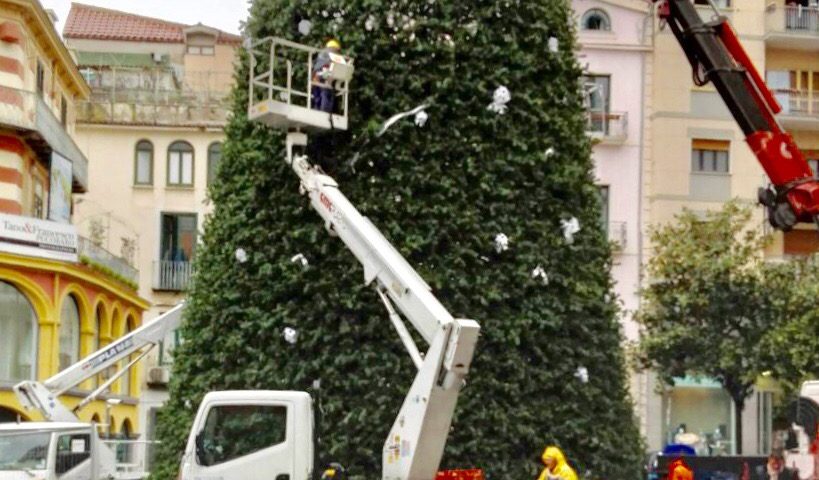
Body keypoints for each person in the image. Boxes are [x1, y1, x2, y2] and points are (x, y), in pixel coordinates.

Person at [311, 39, 341, 113]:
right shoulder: (333, 54)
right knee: (326, 91)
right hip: (325, 73)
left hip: (318, 74)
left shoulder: (322, 54)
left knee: (318, 94)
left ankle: (317, 110)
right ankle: (324, 111)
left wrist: (314, 77)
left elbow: (316, 67)